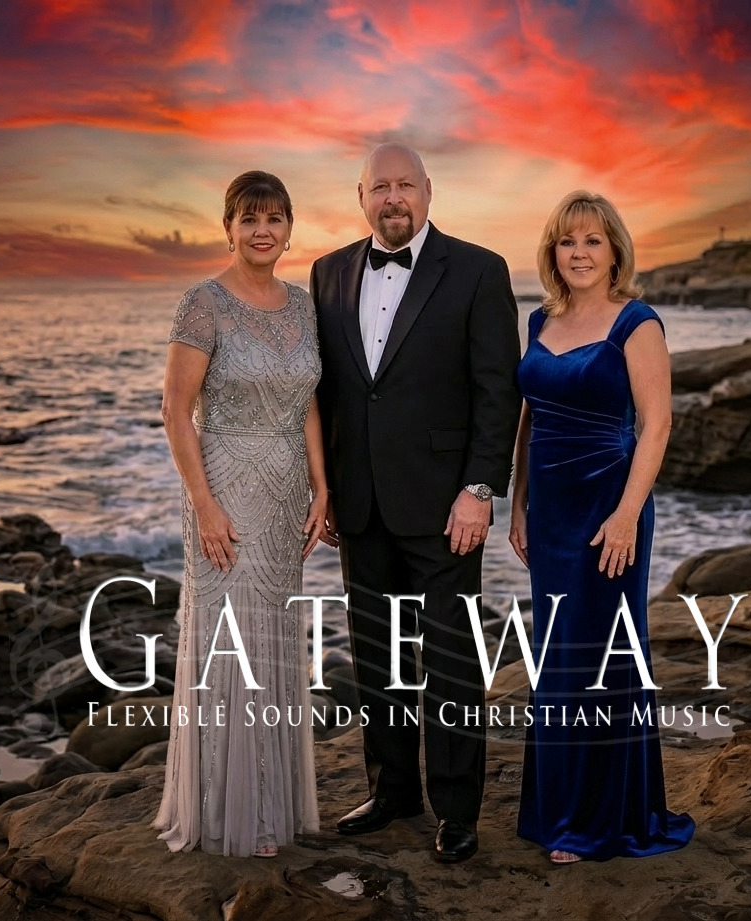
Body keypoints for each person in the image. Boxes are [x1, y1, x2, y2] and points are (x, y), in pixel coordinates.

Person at [310, 143, 522, 862]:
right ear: (360, 196)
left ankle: (457, 810)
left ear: (428, 191)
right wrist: (324, 487)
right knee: (378, 655)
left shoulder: (479, 270)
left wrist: (480, 490)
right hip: (359, 503)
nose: (393, 197)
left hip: (445, 506)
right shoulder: (327, 272)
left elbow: (498, 391)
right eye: (380, 187)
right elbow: (329, 392)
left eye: (405, 184)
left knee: (451, 658)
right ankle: (392, 789)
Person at [509, 190, 695, 864]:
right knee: (557, 655)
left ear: (615, 249)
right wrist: (518, 503)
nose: (579, 252)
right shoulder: (540, 320)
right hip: (551, 512)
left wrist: (625, 514)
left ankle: (598, 822)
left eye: (592, 240)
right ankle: (558, 809)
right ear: (552, 252)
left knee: (603, 656)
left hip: (608, 509)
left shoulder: (636, 323)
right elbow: (530, 417)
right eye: (567, 241)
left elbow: (657, 424)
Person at [153, 171, 328, 858]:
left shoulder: (303, 305)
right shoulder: (203, 303)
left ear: (289, 229)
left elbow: (308, 402)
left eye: (274, 218)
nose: (262, 230)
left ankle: (270, 805)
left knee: (274, 638)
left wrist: (322, 486)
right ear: (228, 228)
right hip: (223, 487)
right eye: (249, 218)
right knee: (228, 640)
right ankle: (226, 811)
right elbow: (175, 411)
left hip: (286, 493)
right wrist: (204, 506)